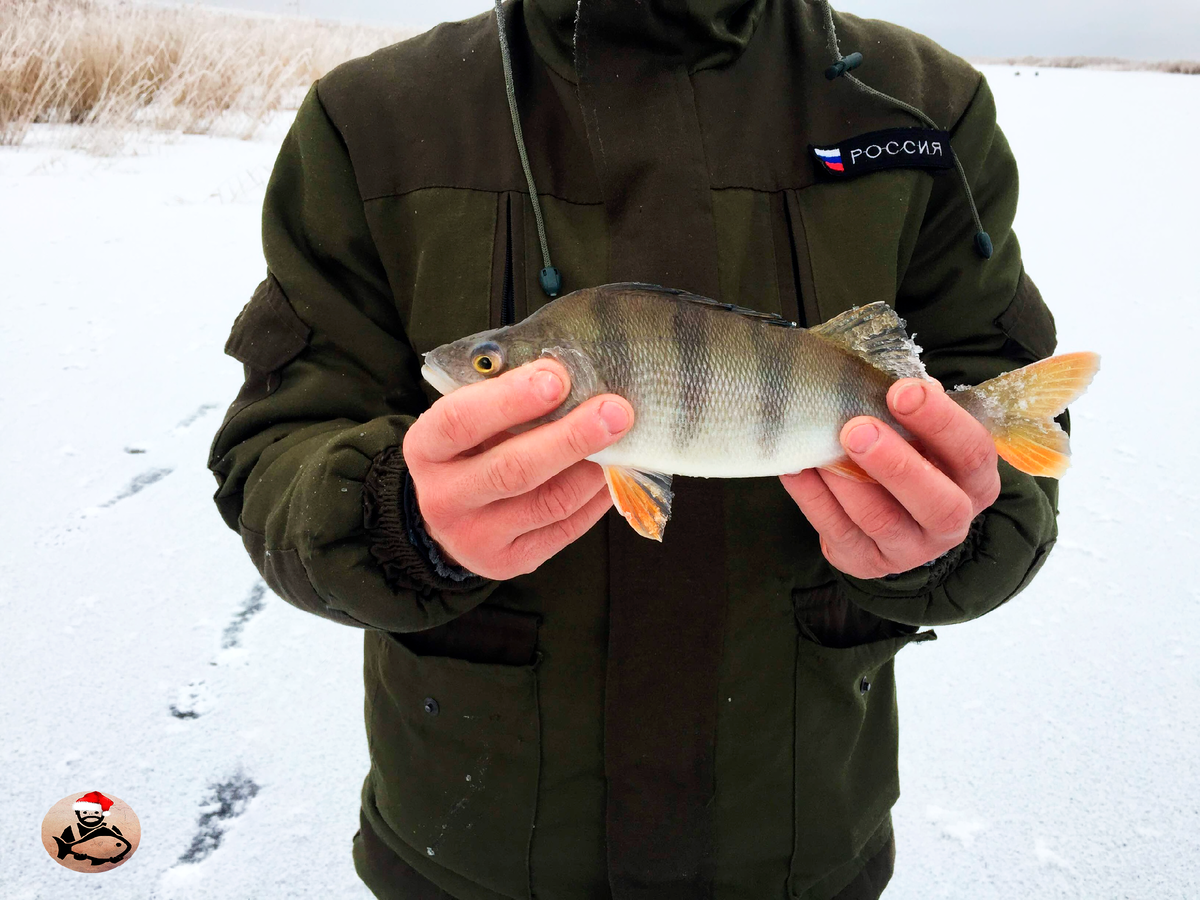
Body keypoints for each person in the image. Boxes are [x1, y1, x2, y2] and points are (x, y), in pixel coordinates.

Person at [207, 1, 1063, 897]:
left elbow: (996, 406)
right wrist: (396, 522)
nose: (476, 369)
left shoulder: (924, 109)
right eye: (492, 362)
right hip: (469, 858)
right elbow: (279, 443)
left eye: (491, 361)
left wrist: (954, 528)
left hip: (801, 852)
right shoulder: (370, 118)